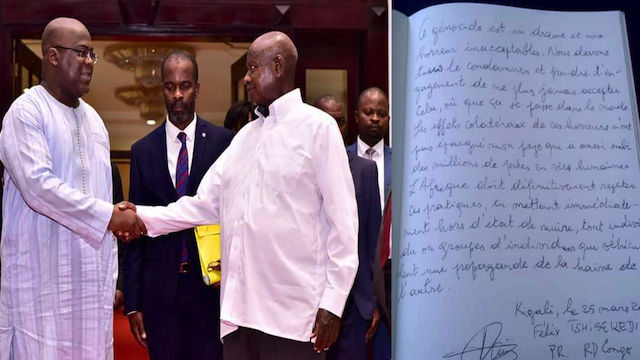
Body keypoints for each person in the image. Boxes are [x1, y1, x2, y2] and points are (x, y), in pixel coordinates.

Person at [126, 31, 358, 360]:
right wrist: (138, 217)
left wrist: (332, 305)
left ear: (278, 66)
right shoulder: (245, 138)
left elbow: (344, 226)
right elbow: (201, 206)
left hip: (293, 320)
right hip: (238, 320)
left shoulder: (318, 129)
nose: (246, 77)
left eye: (252, 68)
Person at [0, 17, 144, 360]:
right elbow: (38, 188)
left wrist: (116, 224)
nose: (90, 62)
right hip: (41, 282)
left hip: (89, 287)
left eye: (93, 54)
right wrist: (109, 216)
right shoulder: (25, 112)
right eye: (82, 53)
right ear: (52, 56)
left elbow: (97, 197)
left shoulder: (95, 122)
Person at [123, 50, 232, 360]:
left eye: (185, 85)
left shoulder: (223, 142)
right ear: (162, 90)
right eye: (170, 87)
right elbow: (136, 233)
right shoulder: (142, 151)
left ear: (196, 88)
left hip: (210, 287)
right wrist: (133, 302)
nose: (178, 94)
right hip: (160, 292)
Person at [314, 96, 382, 360]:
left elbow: (372, 241)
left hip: (355, 303)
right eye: (326, 120)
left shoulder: (365, 170)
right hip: (312, 299)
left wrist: (374, 302)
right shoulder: (299, 168)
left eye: (339, 121)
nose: (333, 127)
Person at [347, 87, 391, 360]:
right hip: (354, 274)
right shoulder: (340, 157)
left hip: (389, 276)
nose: (375, 118)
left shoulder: (405, 161)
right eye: (368, 112)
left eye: (382, 114)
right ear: (356, 116)